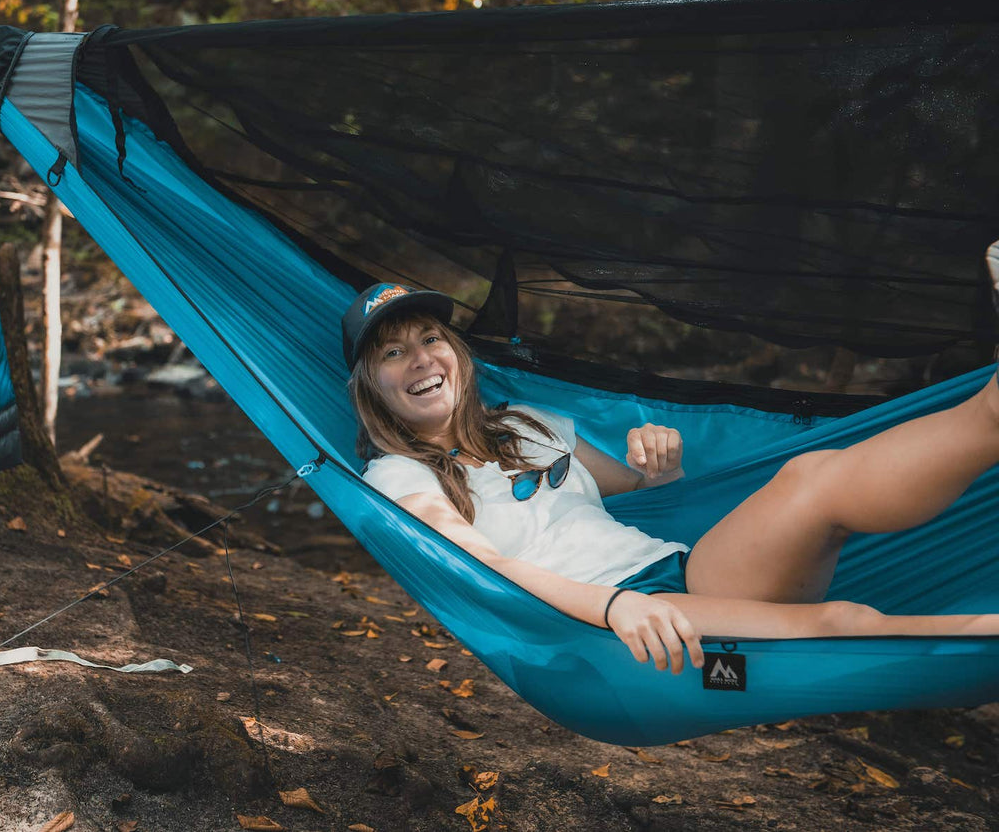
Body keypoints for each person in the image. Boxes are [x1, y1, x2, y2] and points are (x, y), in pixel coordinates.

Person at [342, 279, 999, 677]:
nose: (421, 359)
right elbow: (485, 567)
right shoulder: (398, 474)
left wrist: (662, 468)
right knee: (838, 624)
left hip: (684, 573)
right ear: (371, 387)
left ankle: (991, 411)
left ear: (455, 354)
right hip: (609, 628)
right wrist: (615, 605)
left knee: (810, 476)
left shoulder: (522, 425)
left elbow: (640, 491)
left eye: (430, 338)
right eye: (393, 353)